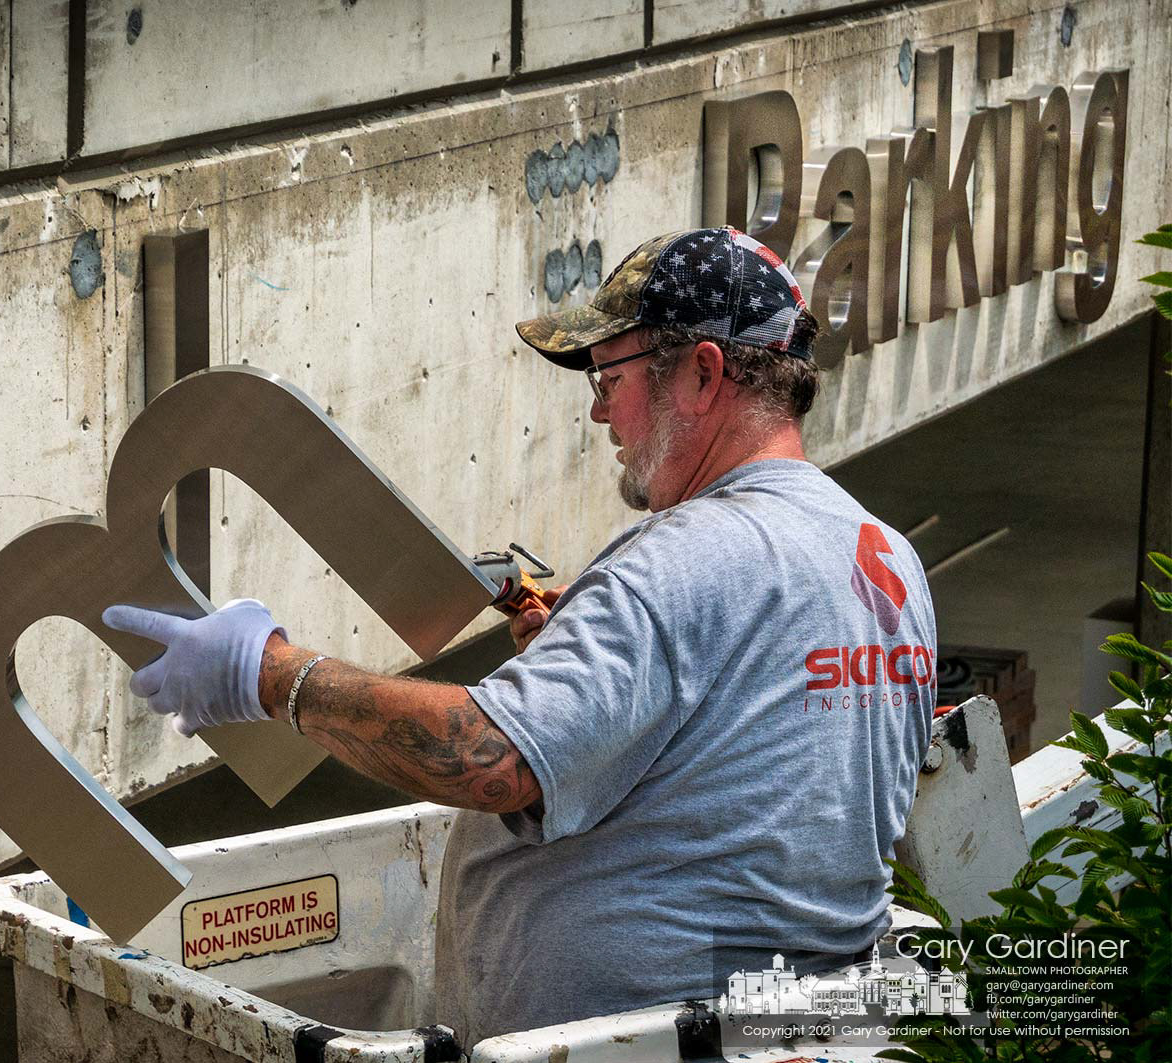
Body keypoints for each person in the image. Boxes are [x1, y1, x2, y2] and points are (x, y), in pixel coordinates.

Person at [102, 227, 936, 1041]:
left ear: (703, 374)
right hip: (804, 1027)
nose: (600, 411)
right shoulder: (884, 561)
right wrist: (592, 683)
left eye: (611, 375)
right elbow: (757, 776)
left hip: (641, 1041)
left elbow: (490, 760)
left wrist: (272, 675)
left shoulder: (686, 561)